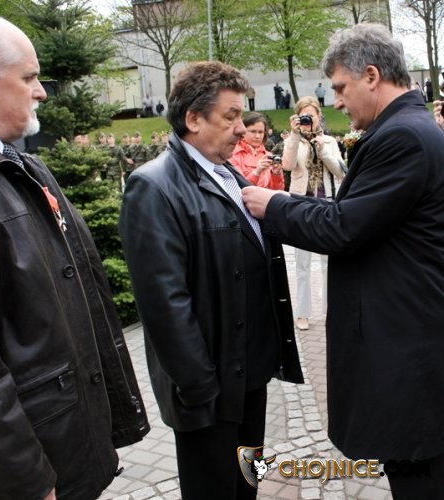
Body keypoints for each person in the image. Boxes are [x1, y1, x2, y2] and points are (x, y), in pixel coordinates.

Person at [0, 11, 149, 500]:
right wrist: (24, 482)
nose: (41, 92)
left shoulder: (15, 162)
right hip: (17, 474)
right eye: (29, 78)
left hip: (59, 445)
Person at [242, 23, 444, 500]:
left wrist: (274, 207)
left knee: (420, 479)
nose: (335, 102)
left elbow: (344, 227)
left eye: (339, 87)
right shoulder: (408, 128)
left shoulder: (403, 136)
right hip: (411, 336)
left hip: (406, 348)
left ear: (371, 76)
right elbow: (354, 212)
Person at [119, 61, 303, 500]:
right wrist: (199, 385)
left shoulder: (226, 173)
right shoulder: (153, 186)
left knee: (246, 485)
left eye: (241, 116)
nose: (242, 128)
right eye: (230, 116)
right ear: (193, 118)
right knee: (214, 491)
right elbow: (164, 302)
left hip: (248, 376)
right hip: (209, 388)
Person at [281, 95, 345, 331]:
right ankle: (303, 312)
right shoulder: (294, 140)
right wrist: (294, 135)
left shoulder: (329, 141)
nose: (308, 120)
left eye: (312, 115)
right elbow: (287, 165)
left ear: (319, 116)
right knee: (302, 263)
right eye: (303, 116)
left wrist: (323, 151)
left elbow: (341, 172)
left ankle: (330, 311)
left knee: (328, 263)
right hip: (301, 204)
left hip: (326, 204)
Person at [229, 112, 284, 190]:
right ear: (243, 132)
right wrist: (256, 172)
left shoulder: (269, 156)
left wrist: (276, 174)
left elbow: (278, 190)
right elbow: (237, 188)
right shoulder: (233, 155)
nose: (257, 136)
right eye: (253, 131)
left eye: (260, 132)